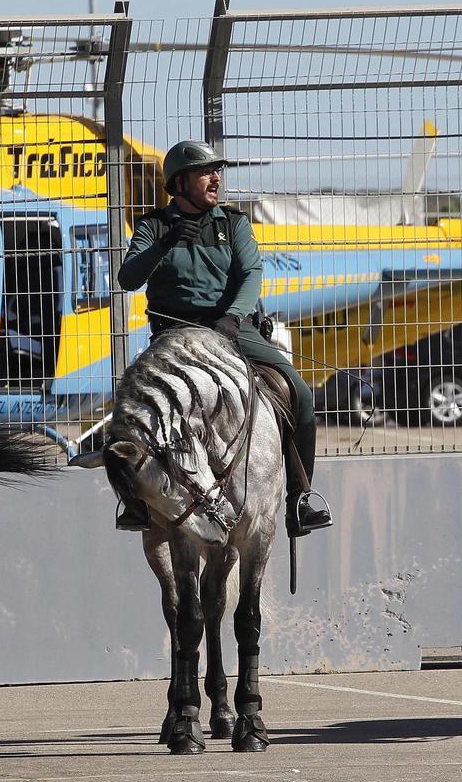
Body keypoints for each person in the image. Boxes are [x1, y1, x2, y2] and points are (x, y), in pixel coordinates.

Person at [116, 140, 333, 539]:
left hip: (230, 329)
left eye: (218, 171)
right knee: (137, 405)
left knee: (301, 394)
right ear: (180, 182)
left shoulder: (233, 223)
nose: (216, 178)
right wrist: (164, 244)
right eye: (206, 172)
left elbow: (251, 274)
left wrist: (233, 317)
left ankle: (299, 499)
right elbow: (128, 278)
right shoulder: (153, 225)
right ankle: (136, 501)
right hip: (174, 334)